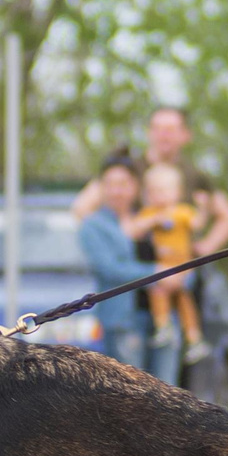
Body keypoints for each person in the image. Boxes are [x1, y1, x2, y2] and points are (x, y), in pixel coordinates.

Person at [71, 105, 228, 253]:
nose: (164, 136)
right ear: (148, 133)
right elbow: (82, 207)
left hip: (181, 264)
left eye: (170, 130)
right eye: (158, 129)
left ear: (186, 135)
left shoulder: (195, 174)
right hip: (137, 269)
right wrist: (117, 238)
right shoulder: (129, 168)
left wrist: (204, 248)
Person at [75, 152, 170, 384]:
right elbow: (109, 268)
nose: (117, 191)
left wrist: (180, 276)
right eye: (110, 184)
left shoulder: (154, 219)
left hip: (165, 318)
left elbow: (182, 253)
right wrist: (159, 273)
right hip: (123, 321)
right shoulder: (93, 226)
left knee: (170, 392)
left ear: (136, 187)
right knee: (133, 393)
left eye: (123, 184)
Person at [128, 161, 209, 364]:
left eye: (164, 190)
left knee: (184, 300)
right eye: (153, 191)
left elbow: (198, 223)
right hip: (163, 265)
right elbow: (134, 230)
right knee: (158, 292)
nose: (159, 196)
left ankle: (194, 338)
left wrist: (203, 206)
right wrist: (153, 220)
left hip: (182, 264)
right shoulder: (151, 213)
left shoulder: (182, 211)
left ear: (177, 192)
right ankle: (164, 326)